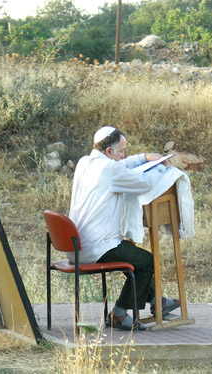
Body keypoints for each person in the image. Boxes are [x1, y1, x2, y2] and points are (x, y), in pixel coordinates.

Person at [68, 126, 180, 331]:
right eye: (121, 151)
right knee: (145, 261)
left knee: (132, 253)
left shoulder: (85, 162)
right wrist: (162, 166)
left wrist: (145, 157)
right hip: (97, 247)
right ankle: (119, 314)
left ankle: (158, 301)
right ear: (109, 152)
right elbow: (145, 183)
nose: (124, 155)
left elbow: (123, 165)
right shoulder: (110, 169)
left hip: (76, 246)